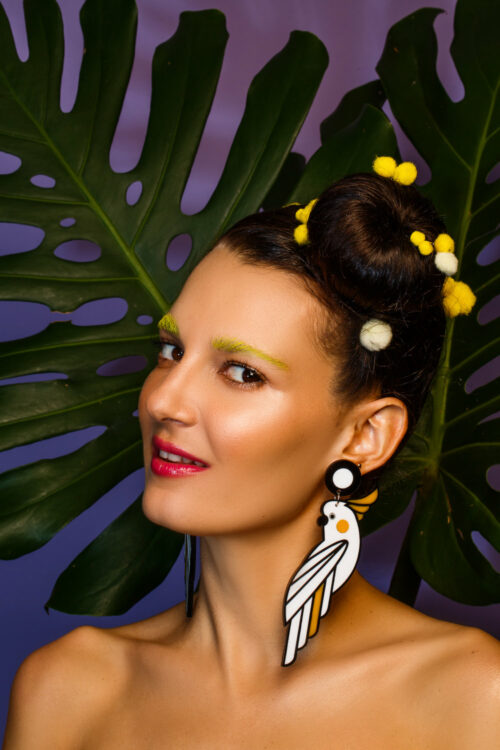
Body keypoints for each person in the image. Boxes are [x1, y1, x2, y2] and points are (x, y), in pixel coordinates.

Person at [3, 158, 499, 748]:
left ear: (365, 435)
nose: (164, 400)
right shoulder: (67, 691)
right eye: (171, 350)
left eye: (242, 372)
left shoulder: (472, 699)